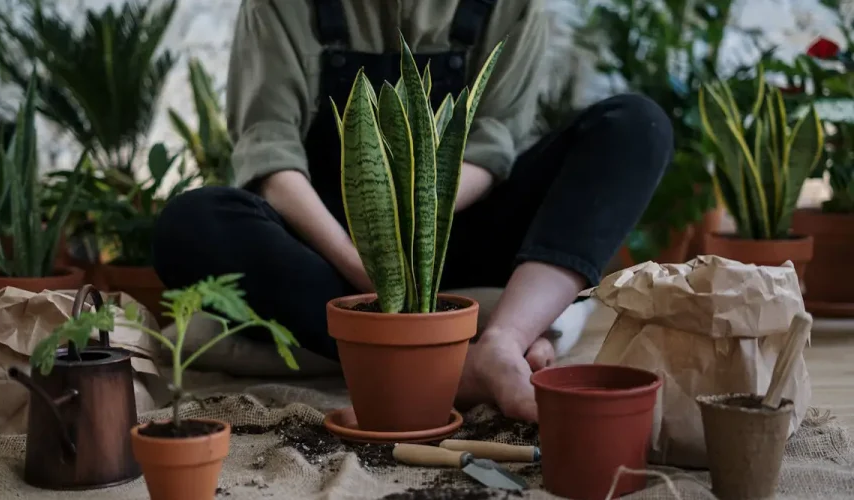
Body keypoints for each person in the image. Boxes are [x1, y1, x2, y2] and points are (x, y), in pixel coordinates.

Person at [152, 0, 673, 422]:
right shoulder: (282, 6)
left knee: (636, 125)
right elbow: (270, 155)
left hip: (461, 228)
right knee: (191, 222)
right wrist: (366, 263)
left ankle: (501, 343)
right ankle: (440, 362)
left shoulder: (510, 7)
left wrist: (418, 231)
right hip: (335, 257)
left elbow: (493, 148)